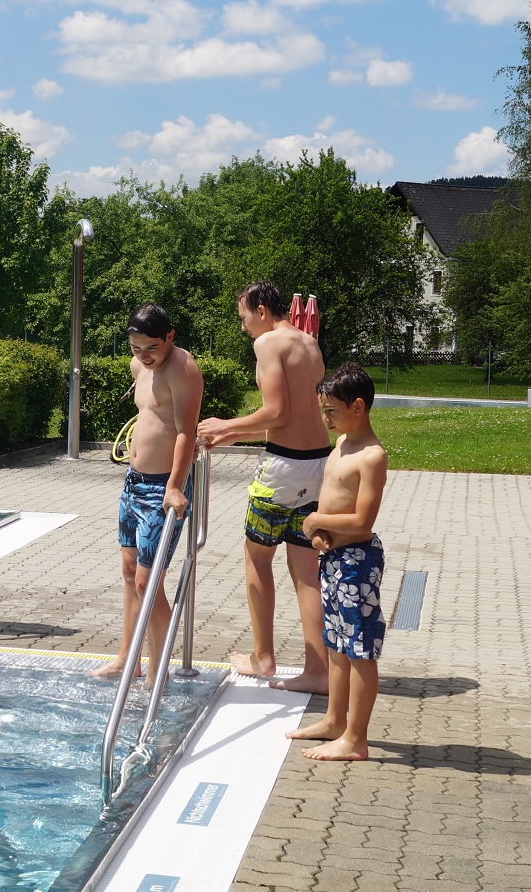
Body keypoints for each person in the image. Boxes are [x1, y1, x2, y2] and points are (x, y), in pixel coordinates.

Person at [197, 281, 331, 691]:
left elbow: (276, 412)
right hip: (319, 463)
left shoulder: (268, 343)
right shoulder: (308, 342)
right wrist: (233, 435)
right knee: (305, 570)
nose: (243, 327)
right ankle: (318, 671)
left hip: (283, 470)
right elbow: (293, 417)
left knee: (256, 558)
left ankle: (263, 657)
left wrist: (225, 424)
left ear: (260, 309)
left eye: (243, 317)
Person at [88, 304, 203, 680]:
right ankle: (128, 659)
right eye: (136, 348)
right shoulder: (139, 367)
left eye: (152, 347)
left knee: (147, 583)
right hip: (133, 482)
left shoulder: (183, 369)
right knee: (128, 573)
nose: (144, 355)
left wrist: (174, 486)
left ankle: (158, 673)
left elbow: (186, 431)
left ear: (170, 337)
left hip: (162, 488)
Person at [286, 363, 389, 761]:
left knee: (360, 648)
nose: (325, 418)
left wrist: (316, 520)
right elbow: (334, 500)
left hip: (357, 562)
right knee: (337, 644)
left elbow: (362, 521)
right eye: (323, 410)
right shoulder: (342, 444)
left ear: (358, 406)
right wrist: (319, 534)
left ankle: (356, 739)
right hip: (334, 557)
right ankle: (334, 720)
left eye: (331, 411)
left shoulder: (372, 456)